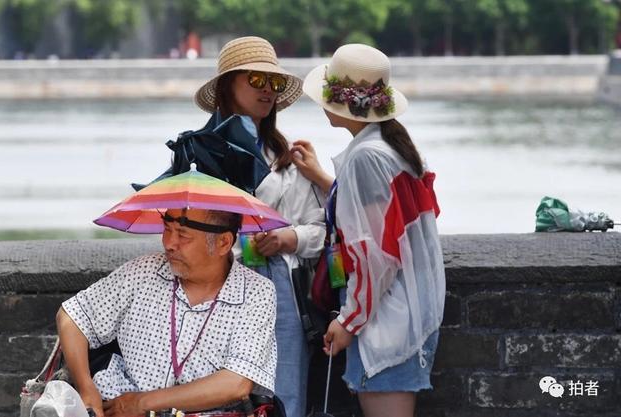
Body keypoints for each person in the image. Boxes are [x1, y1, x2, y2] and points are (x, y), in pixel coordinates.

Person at [291, 44, 446, 417]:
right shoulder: (387, 148)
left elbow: (377, 256)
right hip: (403, 313)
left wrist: (348, 321)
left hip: (386, 321)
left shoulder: (366, 157)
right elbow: (379, 221)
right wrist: (324, 180)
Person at [193, 36, 325, 417]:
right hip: (217, 289)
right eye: (255, 80)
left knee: (285, 396)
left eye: (275, 83)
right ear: (227, 85)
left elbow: (320, 229)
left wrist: (290, 238)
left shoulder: (288, 157)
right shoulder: (199, 155)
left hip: (281, 289)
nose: (267, 90)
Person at [56, 208, 277, 417]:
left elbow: (235, 383)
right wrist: (86, 389)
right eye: (167, 228)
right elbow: (72, 317)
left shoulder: (256, 292)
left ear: (223, 242)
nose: (169, 243)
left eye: (183, 235)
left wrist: (142, 403)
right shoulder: (144, 271)